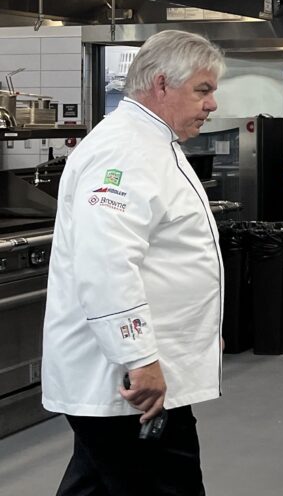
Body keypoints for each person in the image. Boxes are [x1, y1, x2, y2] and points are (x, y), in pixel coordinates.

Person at [42, 30, 225, 496]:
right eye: (203, 90)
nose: (212, 105)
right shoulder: (125, 151)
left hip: (134, 380)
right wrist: (139, 357)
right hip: (130, 385)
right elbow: (107, 262)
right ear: (161, 84)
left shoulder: (150, 143)